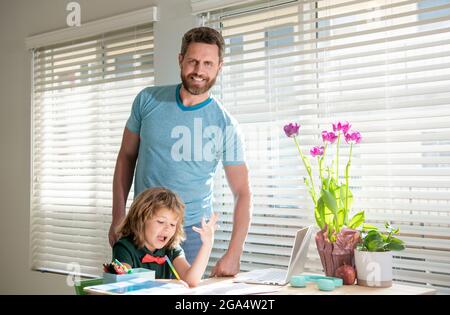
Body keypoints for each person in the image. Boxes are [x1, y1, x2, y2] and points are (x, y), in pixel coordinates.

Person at [108, 26, 252, 277]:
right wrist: (118, 217)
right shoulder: (147, 100)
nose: (199, 70)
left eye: (208, 63)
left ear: (220, 66)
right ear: (180, 60)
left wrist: (233, 254)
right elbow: (126, 157)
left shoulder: (226, 125)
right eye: (193, 61)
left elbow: (242, 192)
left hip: (192, 234)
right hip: (140, 229)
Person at [112, 187, 218, 287]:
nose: (167, 229)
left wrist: (207, 244)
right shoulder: (124, 247)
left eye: (173, 224)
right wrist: (168, 284)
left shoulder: (171, 249)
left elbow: (191, 280)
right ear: (141, 220)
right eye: (161, 221)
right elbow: (126, 282)